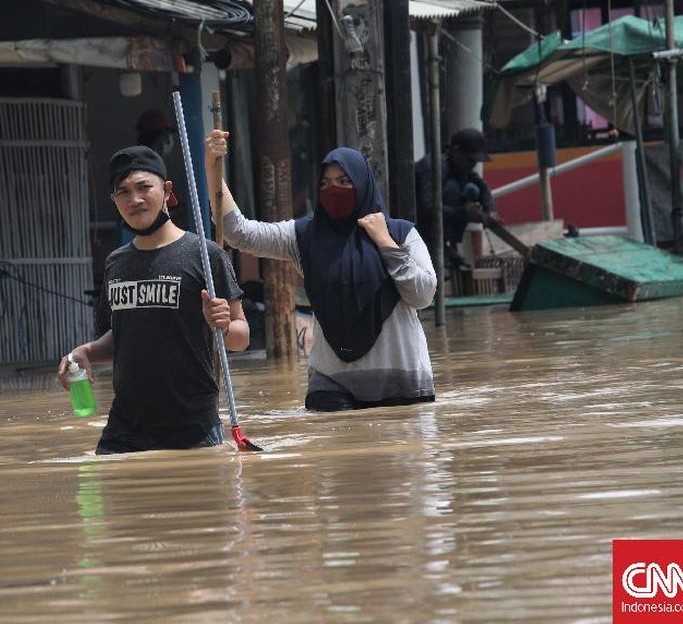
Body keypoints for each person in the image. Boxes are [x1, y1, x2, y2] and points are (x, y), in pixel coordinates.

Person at [205, 130, 436, 412]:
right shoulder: (305, 237)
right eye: (325, 183)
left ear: (363, 185)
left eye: (344, 181)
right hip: (331, 384)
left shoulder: (401, 233)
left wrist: (385, 243)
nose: (334, 190)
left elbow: (423, 295)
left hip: (401, 382)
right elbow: (239, 234)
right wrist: (213, 166)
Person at [58, 145, 249, 454]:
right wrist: (86, 352)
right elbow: (125, 336)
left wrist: (224, 326)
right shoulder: (116, 262)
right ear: (114, 202)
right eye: (123, 192)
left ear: (166, 189)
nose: (135, 199)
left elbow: (242, 339)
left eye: (144, 187)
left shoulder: (205, 255)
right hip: (124, 428)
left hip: (191, 427)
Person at [414, 127, 500, 270]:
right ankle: (438, 248)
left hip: (439, 229)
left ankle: (447, 246)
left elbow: (482, 187)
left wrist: (490, 210)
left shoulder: (460, 168)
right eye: (469, 160)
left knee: (472, 189)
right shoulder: (433, 167)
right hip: (418, 228)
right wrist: (463, 213)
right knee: (453, 188)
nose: (472, 166)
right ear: (456, 152)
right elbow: (427, 209)